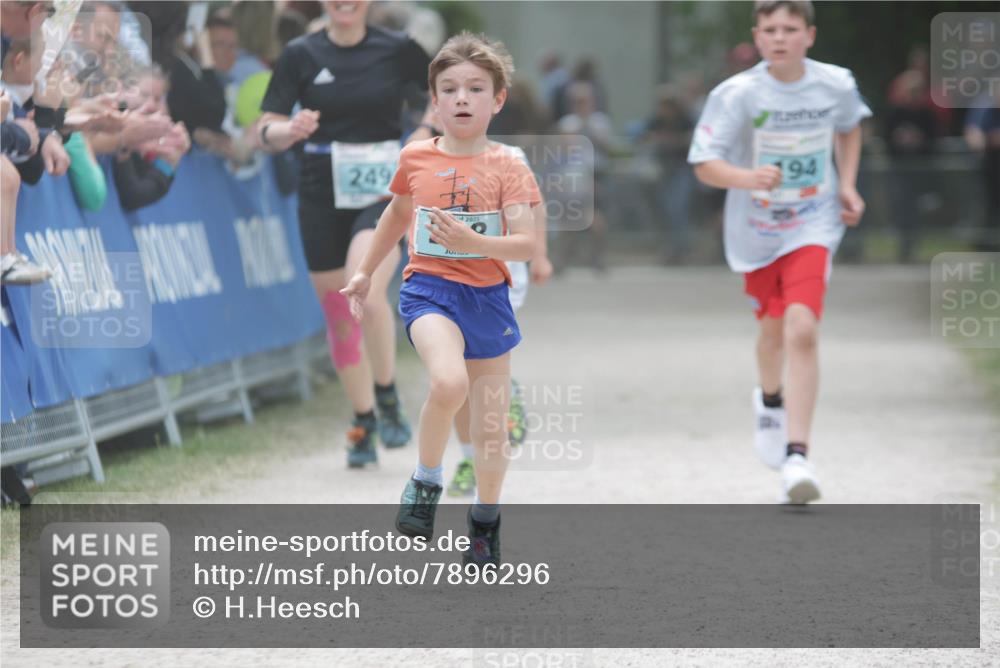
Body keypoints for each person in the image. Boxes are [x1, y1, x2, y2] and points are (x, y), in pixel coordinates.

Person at [341, 32, 540, 566]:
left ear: (497, 100)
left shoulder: (509, 165)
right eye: (449, 89)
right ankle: (425, 483)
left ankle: (485, 520)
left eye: (476, 88)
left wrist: (476, 243)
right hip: (429, 290)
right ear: (434, 100)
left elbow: (526, 242)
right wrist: (364, 273)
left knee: (491, 427)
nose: (461, 99)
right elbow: (395, 217)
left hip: (488, 297)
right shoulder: (416, 157)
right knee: (448, 382)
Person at [688, 0, 871, 504]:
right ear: (757, 36)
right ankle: (770, 400)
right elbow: (704, 163)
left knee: (802, 331)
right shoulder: (738, 94)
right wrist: (749, 179)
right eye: (771, 29)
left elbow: (850, 126)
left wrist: (847, 184)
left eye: (791, 28)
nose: (781, 37)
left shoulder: (835, 83)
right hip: (757, 232)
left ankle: (797, 455)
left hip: (814, 224)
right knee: (770, 335)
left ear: (810, 35)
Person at [258, 0, 435, 467]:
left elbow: (443, 90)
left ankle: (387, 392)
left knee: (368, 290)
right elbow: (265, 127)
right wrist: (288, 130)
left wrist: (424, 129)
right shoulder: (300, 53)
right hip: (319, 193)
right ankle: (364, 419)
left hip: (383, 193)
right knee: (340, 312)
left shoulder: (398, 49)